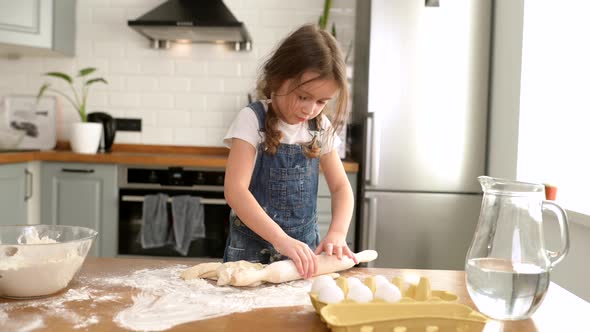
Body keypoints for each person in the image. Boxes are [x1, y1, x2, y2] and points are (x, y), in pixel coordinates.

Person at [222, 24, 357, 279]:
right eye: (304, 96)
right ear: (278, 78)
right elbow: (235, 191)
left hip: (304, 257)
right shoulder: (252, 120)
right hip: (251, 256)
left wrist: (338, 232)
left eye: (321, 101)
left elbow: (341, 187)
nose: (310, 109)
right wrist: (280, 239)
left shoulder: (320, 127)